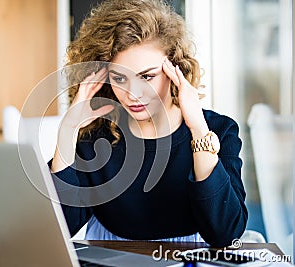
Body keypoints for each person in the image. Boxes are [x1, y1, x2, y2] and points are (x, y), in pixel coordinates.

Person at [49, 0, 247, 247]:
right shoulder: (95, 137)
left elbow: (226, 233)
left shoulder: (218, 130)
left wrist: (197, 129)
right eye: (119, 77)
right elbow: (58, 229)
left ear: (176, 68)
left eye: (147, 76)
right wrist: (67, 132)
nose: (133, 93)